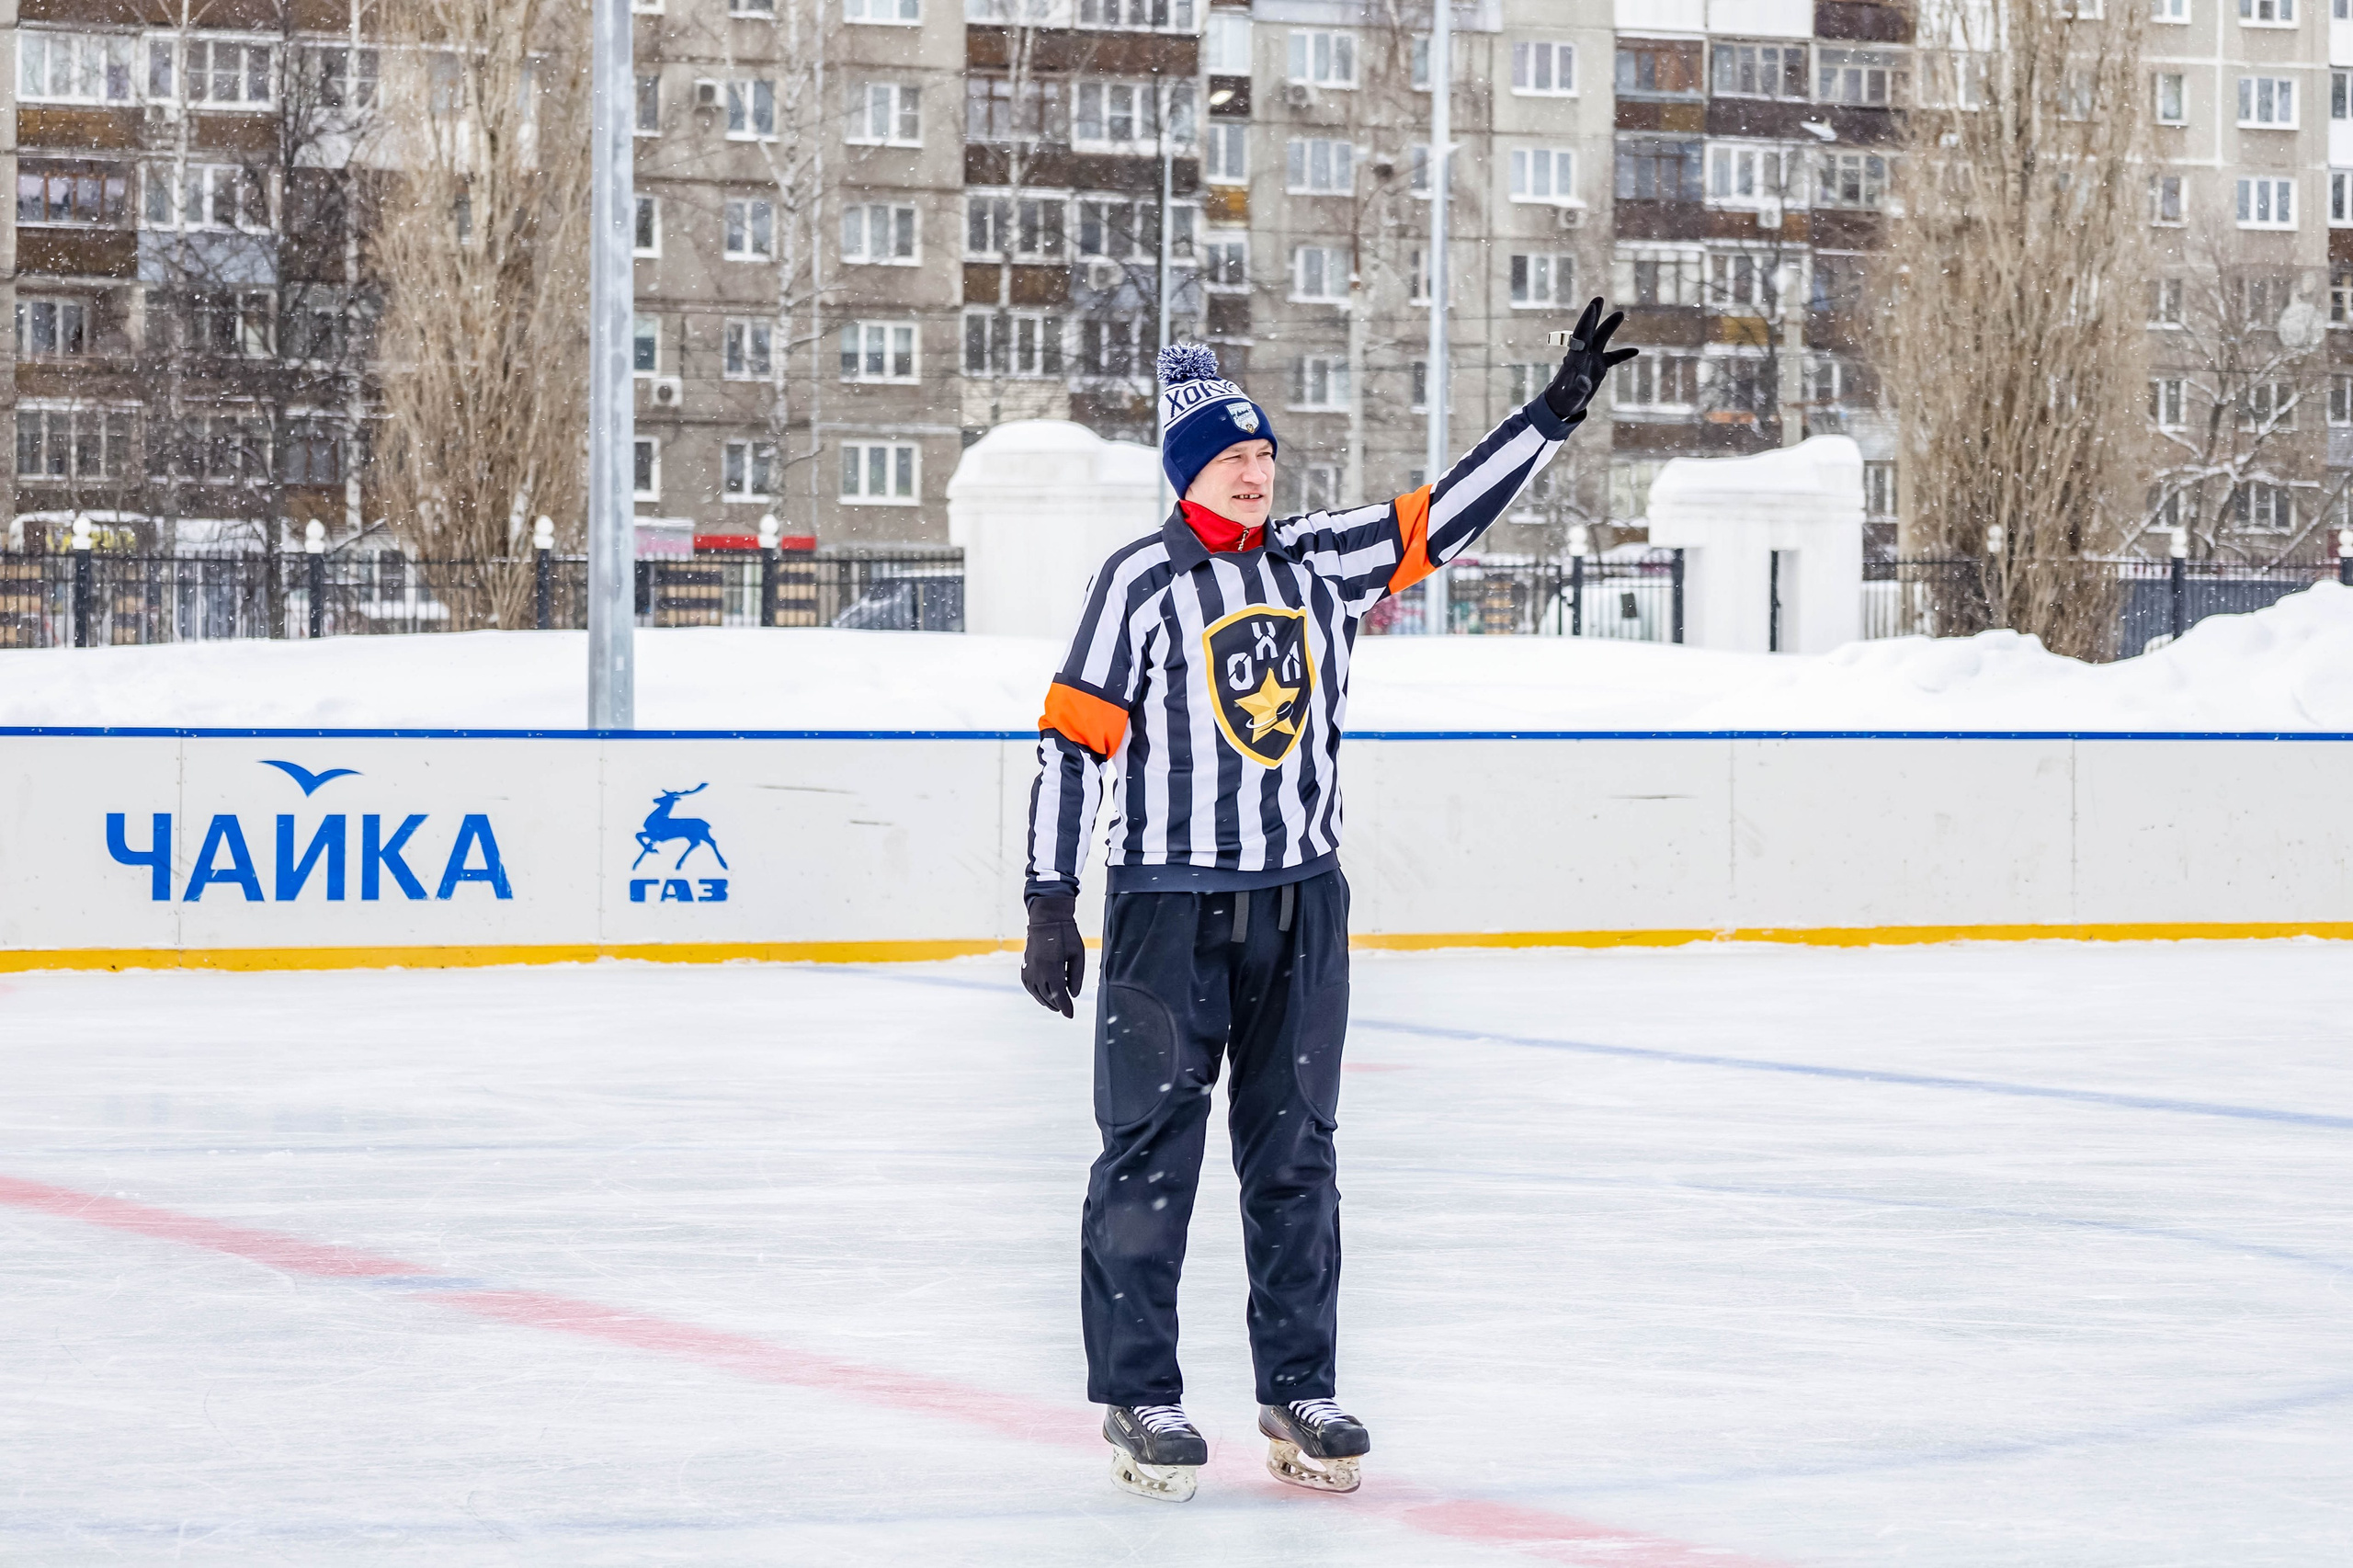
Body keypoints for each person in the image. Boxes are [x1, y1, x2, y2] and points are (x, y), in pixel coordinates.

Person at [1019, 300, 1637, 1502]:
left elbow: (1440, 518)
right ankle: (1141, 1393)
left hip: (1301, 906)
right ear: (1190, 473)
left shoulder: (1318, 560)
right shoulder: (1138, 584)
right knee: (1149, 1156)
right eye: (1232, 458)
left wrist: (1548, 418)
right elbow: (1069, 743)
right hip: (1165, 907)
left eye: (1263, 456)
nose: (1255, 474)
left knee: (1297, 1154)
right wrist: (1050, 895)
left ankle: (1298, 1385)